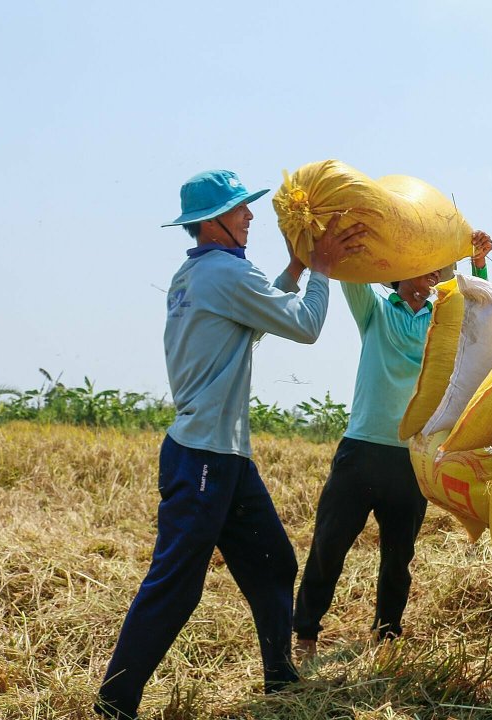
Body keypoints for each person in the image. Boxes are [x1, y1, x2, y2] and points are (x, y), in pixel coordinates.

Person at [94, 169, 367, 720]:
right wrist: (321, 271)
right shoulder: (223, 274)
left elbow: (259, 314)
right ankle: (115, 701)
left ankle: (279, 677)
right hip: (203, 458)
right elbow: (306, 326)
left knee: (273, 562)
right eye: (240, 209)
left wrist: (294, 268)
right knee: (176, 585)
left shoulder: (197, 275)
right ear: (212, 222)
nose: (249, 217)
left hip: (223, 457)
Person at [292, 229, 492, 659]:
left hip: (411, 457)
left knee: (399, 555)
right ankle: (306, 632)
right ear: (398, 279)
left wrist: (477, 263)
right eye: (418, 276)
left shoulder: (444, 321)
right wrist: (359, 236)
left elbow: (480, 314)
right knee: (330, 543)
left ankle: (387, 635)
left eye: (433, 276)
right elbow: (353, 278)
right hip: (362, 450)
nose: (426, 284)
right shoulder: (376, 313)